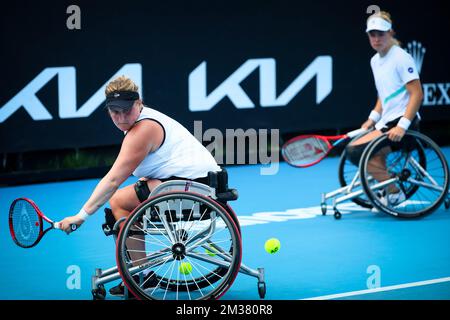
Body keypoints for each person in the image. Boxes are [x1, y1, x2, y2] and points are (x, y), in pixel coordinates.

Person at [57, 75, 221, 295]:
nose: (122, 117)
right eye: (116, 111)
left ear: (139, 103)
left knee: (119, 201)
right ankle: (139, 272)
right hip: (200, 183)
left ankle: (140, 273)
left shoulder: (143, 130)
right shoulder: (142, 121)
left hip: (197, 190)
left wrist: (81, 216)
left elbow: (113, 180)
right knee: (128, 197)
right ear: (108, 110)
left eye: (127, 110)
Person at [346, 11, 423, 205]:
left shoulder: (401, 58)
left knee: (355, 151)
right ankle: (385, 190)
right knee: (366, 149)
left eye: (381, 33)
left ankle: (394, 191)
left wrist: (403, 126)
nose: (377, 38)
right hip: (386, 122)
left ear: (391, 33)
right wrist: (372, 118)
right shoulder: (375, 61)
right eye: (372, 34)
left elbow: (417, 94)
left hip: (405, 123)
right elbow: (384, 94)